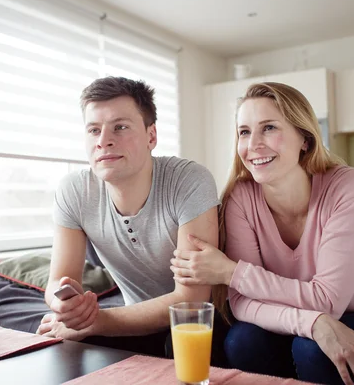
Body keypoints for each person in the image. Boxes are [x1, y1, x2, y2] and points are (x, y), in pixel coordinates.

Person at [170, 82, 354, 384]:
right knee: (242, 340)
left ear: (304, 138)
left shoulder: (351, 187)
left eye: (269, 128)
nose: (253, 145)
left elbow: (327, 301)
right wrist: (312, 322)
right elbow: (240, 302)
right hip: (304, 322)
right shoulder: (241, 196)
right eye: (244, 132)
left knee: (312, 350)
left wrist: (230, 272)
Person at [36, 76, 223, 359]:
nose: (103, 141)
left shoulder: (188, 180)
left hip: (205, 320)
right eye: (93, 130)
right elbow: (57, 282)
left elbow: (191, 301)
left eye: (120, 127)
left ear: (151, 136)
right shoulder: (74, 191)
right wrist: (65, 307)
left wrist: (95, 321)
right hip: (133, 319)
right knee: (59, 343)